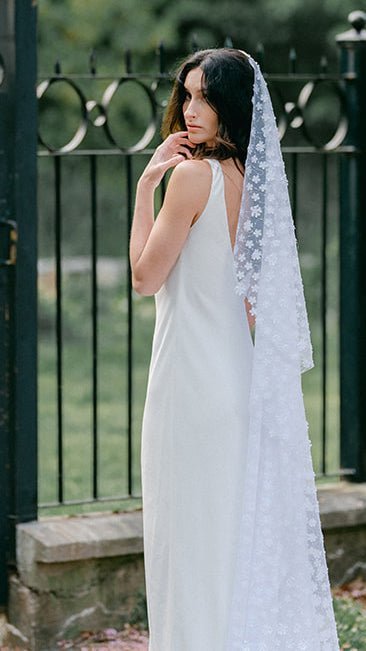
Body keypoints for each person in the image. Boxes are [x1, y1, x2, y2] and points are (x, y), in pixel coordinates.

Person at [129, 49, 340, 651]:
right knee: (226, 539)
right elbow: (252, 306)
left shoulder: (190, 177)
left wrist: (147, 183)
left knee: (186, 537)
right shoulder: (249, 179)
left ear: (232, 107)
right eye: (187, 96)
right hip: (234, 381)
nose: (191, 111)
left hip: (188, 384)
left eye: (205, 98)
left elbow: (145, 278)